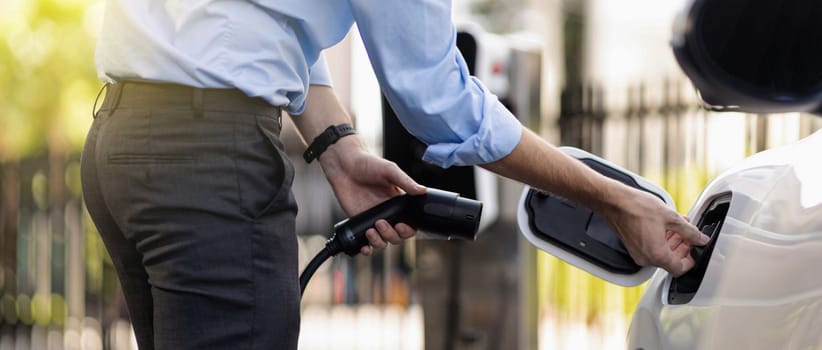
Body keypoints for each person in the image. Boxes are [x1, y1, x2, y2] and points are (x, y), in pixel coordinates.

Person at [83, 0, 709, 349]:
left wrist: (336, 147)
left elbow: (258, 27)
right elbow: (438, 100)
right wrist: (614, 200)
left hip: (123, 140)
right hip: (206, 164)